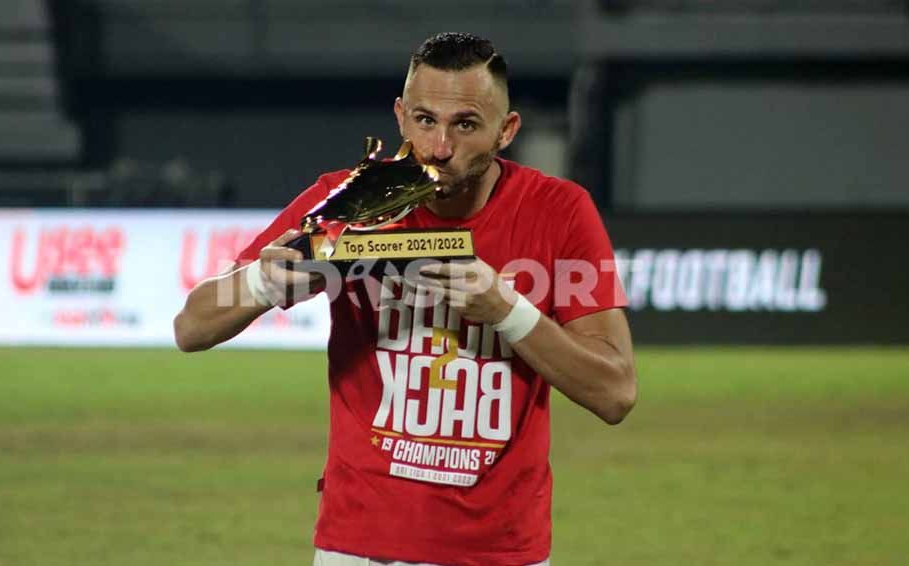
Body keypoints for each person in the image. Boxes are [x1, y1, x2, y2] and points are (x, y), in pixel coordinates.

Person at [174, 32, 636, 566]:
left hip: (501, 552)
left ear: (506, 130)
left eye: (465, 124)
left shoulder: (559, 213)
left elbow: (615, 393)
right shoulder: (347, 203)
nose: (440, 146)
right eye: (424, 120)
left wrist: (508, 312)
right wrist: (263, 281)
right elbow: (191, 327)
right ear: (399, 116)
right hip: (361, 548)